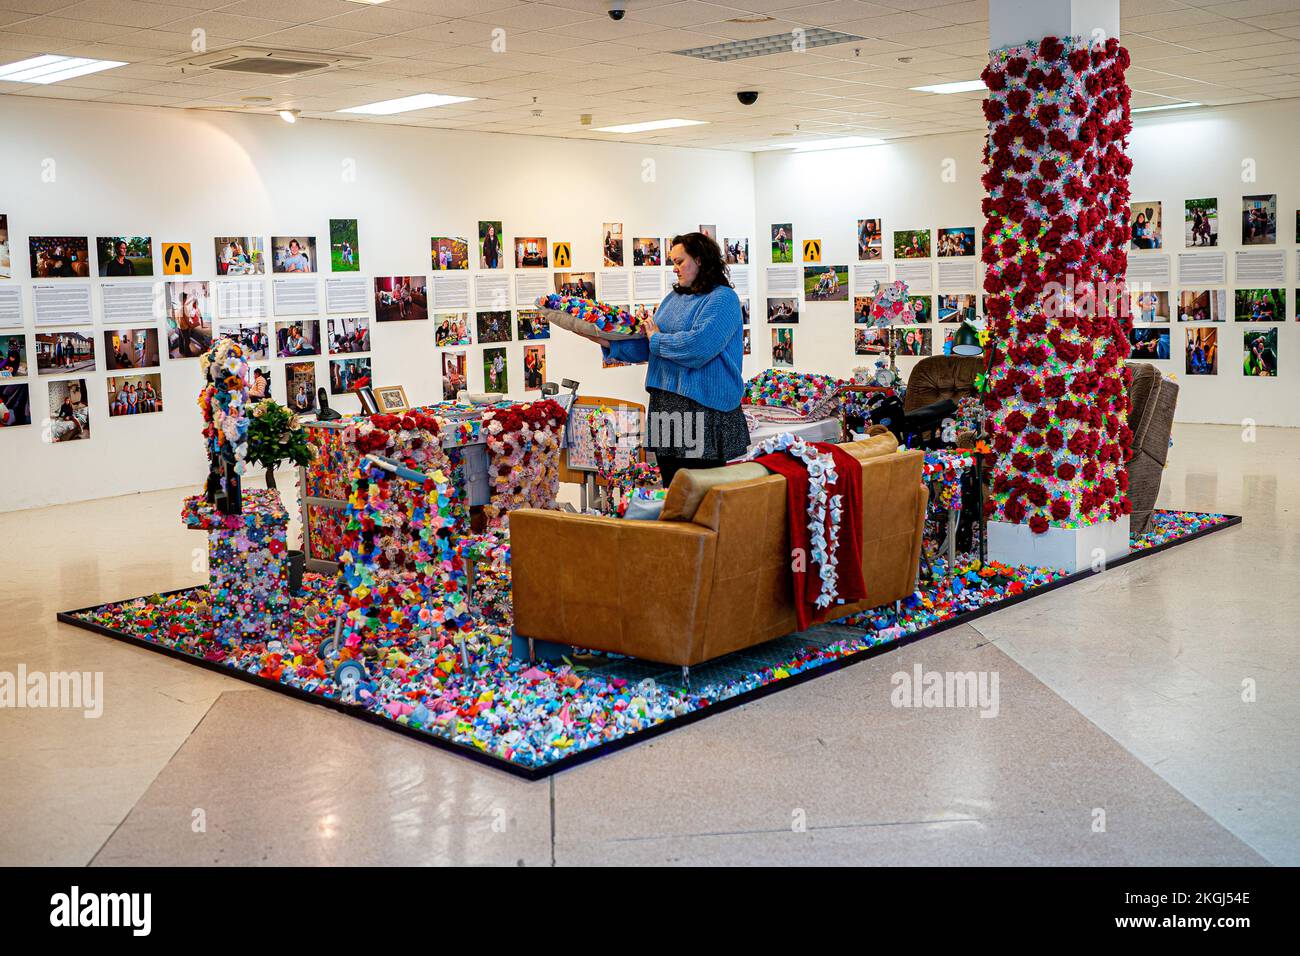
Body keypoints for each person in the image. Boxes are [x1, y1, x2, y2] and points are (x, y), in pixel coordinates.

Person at [557, 232, 748, 489]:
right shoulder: (673, 299)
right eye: (673, 262)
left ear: (700, 260)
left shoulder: (723, 299)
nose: (674, 269)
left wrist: (656, 339)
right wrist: (603, 339)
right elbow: (650, 347)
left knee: (700, 496)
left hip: (701, 409)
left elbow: (698, 347)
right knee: (671, 491)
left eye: (680, 261)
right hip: (665, 403)